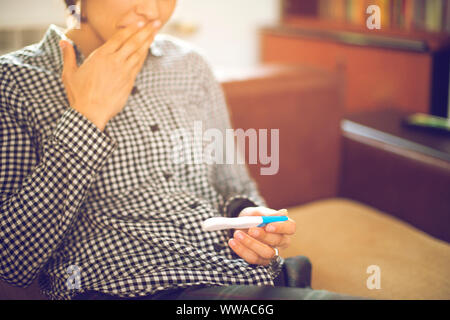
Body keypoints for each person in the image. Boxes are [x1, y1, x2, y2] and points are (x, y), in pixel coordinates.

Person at [0, 0, 365, 300]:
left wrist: (251, 221)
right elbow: (14, 259)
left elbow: (232, 184)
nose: (153, 10)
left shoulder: (190, 66)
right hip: (120, 288)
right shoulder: (15, 82)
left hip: (233, 278)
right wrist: (86, 116)